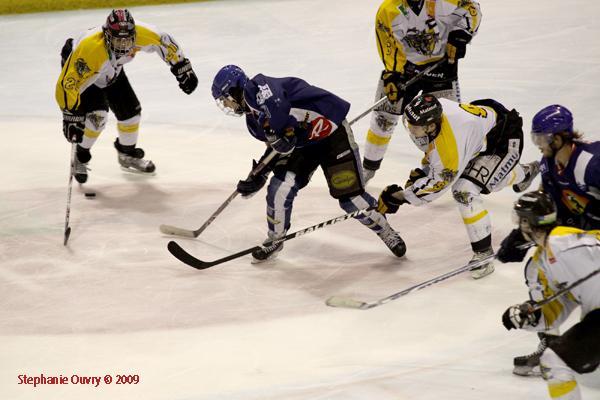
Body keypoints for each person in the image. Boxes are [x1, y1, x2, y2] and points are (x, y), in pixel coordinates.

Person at [210, 65, 406, 263]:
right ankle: (275, 239)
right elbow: (278, 147)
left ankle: (386, 231)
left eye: (225, 99)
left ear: (234, 90)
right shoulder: (253, 123)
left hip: (332, 135)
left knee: (351, 200)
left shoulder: (260, 88)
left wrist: (283, 131)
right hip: (303, 146)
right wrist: (261, 172)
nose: (227, 106)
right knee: (279, 190)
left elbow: (277, 106)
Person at [375, 93, 539, 279]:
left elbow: (438, 185)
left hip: (503, 139)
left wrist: (400, 197)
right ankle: (524, 173)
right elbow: (434, 153)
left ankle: (483, 254)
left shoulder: (451, 146)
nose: (410, 128)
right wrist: (424, 173)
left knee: (465, 189)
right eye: (408, 123)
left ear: (431, 125)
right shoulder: (435, 121)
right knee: (486, 179)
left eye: (415, 126)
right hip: (482, 133)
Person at [498, 104, 600, 376]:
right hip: (577, 233)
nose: (538, 145)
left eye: (541, 139)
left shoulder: (592, 162)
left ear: (558, 138)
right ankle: (551, 341)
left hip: (592, 242)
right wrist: (521, 233)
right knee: (536, 269)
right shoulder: (549, 165)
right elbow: (548, 203)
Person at [56, 9, 198, 183]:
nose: (124, 45)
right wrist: (70, 114)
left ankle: (126, 154)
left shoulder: (142, 33)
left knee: (131, 115)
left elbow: (164, 41)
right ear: (107, 36)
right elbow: (67, 84)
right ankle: (80, 155)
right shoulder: (90, 51)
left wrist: (182, 66)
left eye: (127, 39)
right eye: (118, 40)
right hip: (88, 69)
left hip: (111, 70)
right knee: (97, 117)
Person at [362, 0, 482, 183]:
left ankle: (430, 169)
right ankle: (368, 169)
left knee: (442, 125)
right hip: (404, 70)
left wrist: (460, 34)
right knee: (383, 119)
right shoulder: (388, 10)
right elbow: (388, 43)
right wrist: (392, 74)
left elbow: (472, 8)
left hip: (442, 68)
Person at [501, 190, 600, 400]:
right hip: (595, 319)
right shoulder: (544, 260)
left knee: (553, 361)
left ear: (527, 223)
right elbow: (556, 309)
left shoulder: (562, 240)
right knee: (553, 360)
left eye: (520, 220)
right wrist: (528, 317)